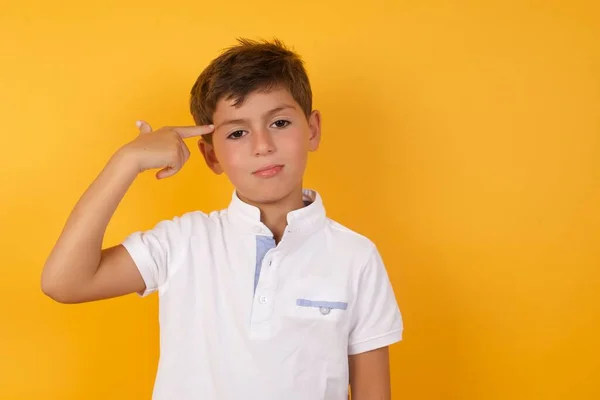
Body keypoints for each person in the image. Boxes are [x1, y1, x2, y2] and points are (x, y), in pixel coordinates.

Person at [41, 38, 403, 400]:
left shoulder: (356, 257)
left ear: (312, 129)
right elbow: (64, 282)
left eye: (279, 122)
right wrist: (126, 162)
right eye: (237, 133)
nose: (262, 145)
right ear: (211, 156)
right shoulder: (182, 243)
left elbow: (373, 393)